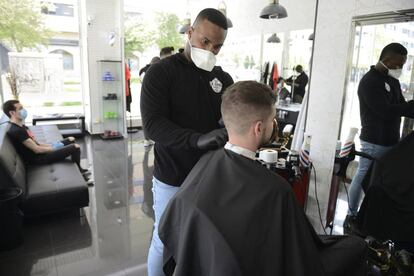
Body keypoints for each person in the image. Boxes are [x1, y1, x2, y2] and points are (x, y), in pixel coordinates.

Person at [159, 81, 367, 276]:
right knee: (356, 247)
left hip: (208, 263)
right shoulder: (276, 189)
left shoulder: (206, 161)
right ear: (259, 128)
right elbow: (298, 253)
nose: (273, 124)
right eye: (272, 120)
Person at [140, 8, 233, 276]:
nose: (211, 50)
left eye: (217, 46)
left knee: (205, 239)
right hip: (173, 176)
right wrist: (197, 139)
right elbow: (153, 126)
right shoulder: (161, 73)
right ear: (189, 33)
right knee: (165, 240)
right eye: (205, 42)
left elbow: (233, 114)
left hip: (211, 176)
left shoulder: (222, 78)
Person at [344, 43, 414, 234]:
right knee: (363, 176)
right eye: (399, 64)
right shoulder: (369, 81)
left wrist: (410, 108)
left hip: (392, 140)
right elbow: (383, 111)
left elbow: (400, 106)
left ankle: (372, 214)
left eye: (403, 64)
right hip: (374, 140)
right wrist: (409, 107)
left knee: (382, 181)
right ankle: (351, 214)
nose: (400, 68)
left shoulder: (393, 81)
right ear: (387, 59)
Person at [2, 100, 91, 183]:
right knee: (75, 147)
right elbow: (37, 150)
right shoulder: (16, 131)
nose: (24, 110)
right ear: (12, 113)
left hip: (40, 153)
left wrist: (53, 144)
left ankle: (77, 169)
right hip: (38, 159)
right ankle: (80, 172)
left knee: (71, 139)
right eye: (20, 109)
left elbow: (37, 143)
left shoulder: (21, 126)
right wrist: (55, 148)